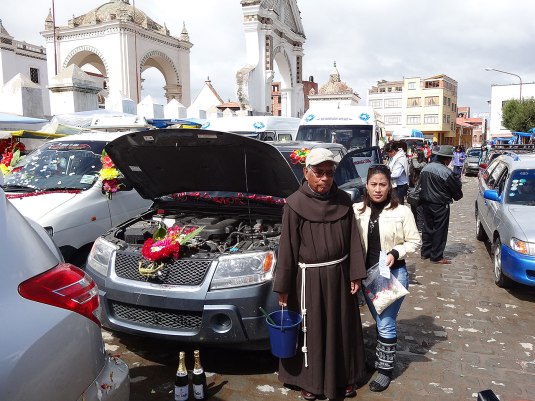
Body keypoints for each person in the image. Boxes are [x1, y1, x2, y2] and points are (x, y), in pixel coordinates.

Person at [273, 148, 367, 401]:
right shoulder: (294, 204)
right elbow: (288, 248)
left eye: (329, 173)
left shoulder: (343, 201)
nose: (325, 179)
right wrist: (283, 287)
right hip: (308, 280)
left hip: (339, 275)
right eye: (319, 173)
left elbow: (353, 241)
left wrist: (355, 274)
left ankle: (344, 377)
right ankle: (310, 381)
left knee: (342, 327)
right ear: (306, 173)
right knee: (310, 330)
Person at [353, 164, 421, 392]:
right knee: (376, 319)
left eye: (383, 184)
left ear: (390, 186)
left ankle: (384, 370)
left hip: (392, 275)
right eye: (374, 184)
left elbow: (414, 242)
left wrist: (395, 252)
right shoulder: (357, 210)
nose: (378, 189)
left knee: (385, 323)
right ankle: (374, 361)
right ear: (366, 186)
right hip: (365, 275)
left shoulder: (402, 211)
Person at [419, 145, 463, 264]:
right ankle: (436, 256)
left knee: (427, 228)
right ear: (447, 159)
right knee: (440, 230)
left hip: (425, 203)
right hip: (440, 205)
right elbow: (458, 194)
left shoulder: (426, 168)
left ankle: (425, 253)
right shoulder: (446, 172)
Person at [408, 149, 427, 232]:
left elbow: (417, 166)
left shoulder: (424, 163)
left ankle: (420, 226)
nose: (413, 155)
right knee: (413, 207)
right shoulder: (412, 161)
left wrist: (414, 159)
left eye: (415, 154)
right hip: (412, 186)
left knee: (419, 209)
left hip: (419, 188)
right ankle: (414, 224)